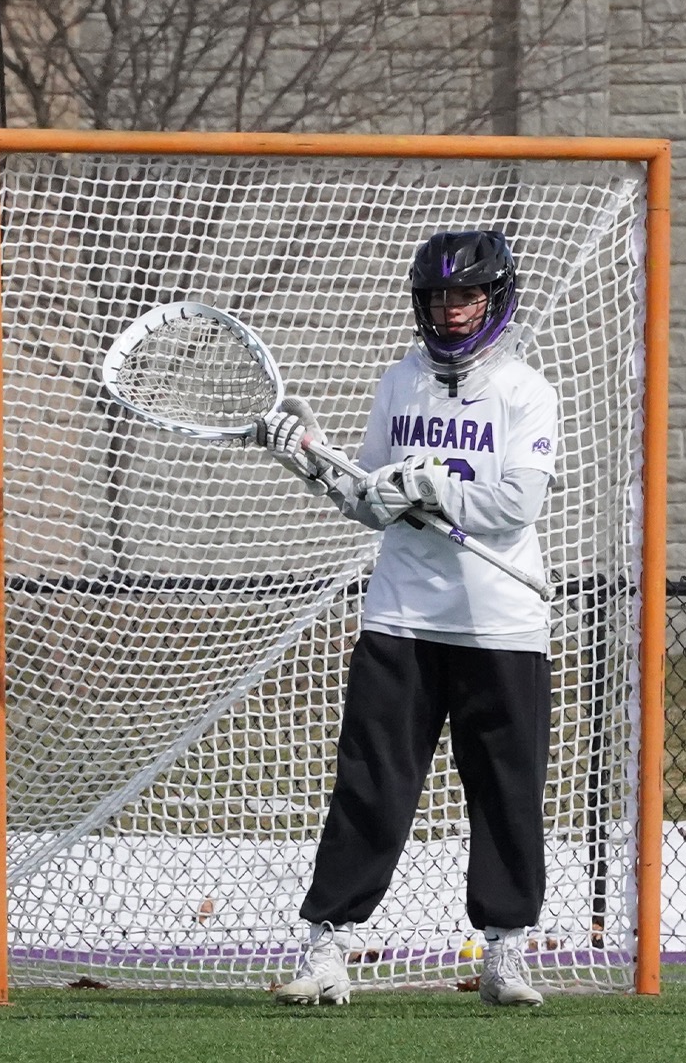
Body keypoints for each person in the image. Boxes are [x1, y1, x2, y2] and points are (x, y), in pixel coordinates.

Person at [251, 229, 559, 1008]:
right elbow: (367, 499)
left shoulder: (526, 390)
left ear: (495, 297)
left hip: (501, 621)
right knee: (373, 784)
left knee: (505, 790)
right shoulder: (400, 383)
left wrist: (429, 488)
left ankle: (506, 951)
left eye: (467, 295)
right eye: (438, 298)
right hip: (401, 618)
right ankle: (328, 945)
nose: (452, 311)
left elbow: (517, 503)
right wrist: (309, 460)